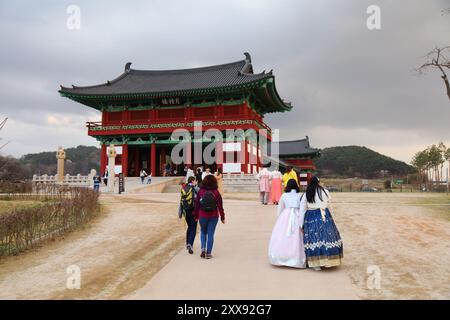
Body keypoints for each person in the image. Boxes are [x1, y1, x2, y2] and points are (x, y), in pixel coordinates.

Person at [300, 176, 343, 270]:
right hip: (324, 214)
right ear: (318, 182)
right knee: (327, 237)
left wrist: (301, 224)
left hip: (311, 215)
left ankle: (316, 264)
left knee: (313, 239)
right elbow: (328, 204)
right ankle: (328, 260)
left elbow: (302, 210)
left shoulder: (307, 193)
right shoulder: (325, 191)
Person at [268, 179, 306, 268]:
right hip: (297, 215)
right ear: (296, 186)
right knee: (297, 237)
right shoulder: (300, 195)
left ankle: (282, 256)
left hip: (285, 215)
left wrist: (279, 220)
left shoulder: (284, 195)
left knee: (283, 236)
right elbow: (302, 209)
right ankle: (296, 258)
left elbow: (280, 209)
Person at [194, 175, 225, 259]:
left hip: (202, 215)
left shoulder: (201, 191)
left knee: (203, 232)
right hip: (213, 215)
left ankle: (203, 249)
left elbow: (196, 204)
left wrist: (196, 215)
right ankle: (208, 253)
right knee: (210, 234)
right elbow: (220, 205)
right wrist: (222, 217)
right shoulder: (216, 192)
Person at [180, 176, 199, 254]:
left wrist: (180, 212)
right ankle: (190, 244)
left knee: (189, 226)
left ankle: (187, 243)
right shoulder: (195, 188)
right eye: (195, 181)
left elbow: (181, 200)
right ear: (193, 181)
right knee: (193, 227)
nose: (196, 182)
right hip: (193, 211)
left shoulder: (184, 188)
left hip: (186, 210)